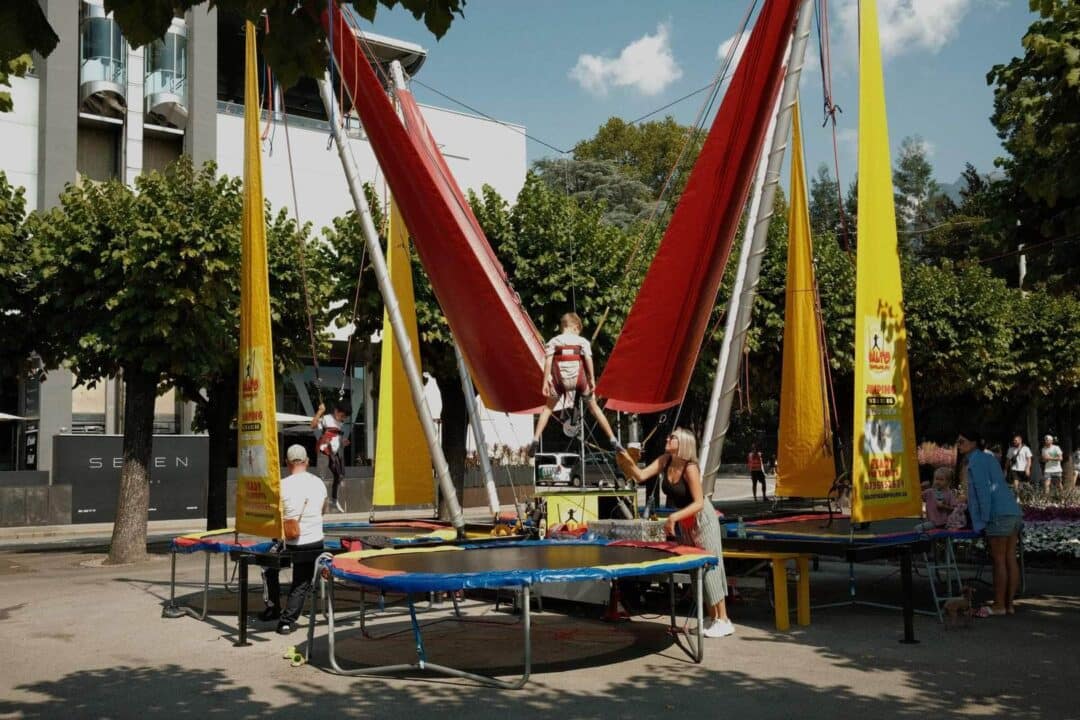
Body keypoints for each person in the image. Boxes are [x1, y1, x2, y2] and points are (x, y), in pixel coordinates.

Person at [617, 428, 734, 638]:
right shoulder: (665, 460)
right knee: (696, 569)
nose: (667, 438)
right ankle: (711, 617)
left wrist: (673, 518)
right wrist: (625, 459)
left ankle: (723, 619)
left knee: (710, 567)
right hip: (686, 521)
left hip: (702, 519)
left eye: (672, 438)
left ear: (683, 444)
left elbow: (699, 503)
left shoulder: (690, 467)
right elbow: (640, 476)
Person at [528, 313, 623, 457]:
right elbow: (588, 360)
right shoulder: (582, 342)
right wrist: (591, 379)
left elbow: (548, 362)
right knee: (595, 409)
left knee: (547, 410)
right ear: (575, 327)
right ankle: (613, 439)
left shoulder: (554, 341)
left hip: (559, 382)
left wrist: (545, 381)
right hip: (580, 381)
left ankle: (535, 439)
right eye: (579, 330)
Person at [261, 444, 328, 634]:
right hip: (315, 542)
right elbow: (323, 511)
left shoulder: (281, 485)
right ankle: (286, 621)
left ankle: (273, 607)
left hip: (291, 543)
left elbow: (275, 516)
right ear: (307, 461)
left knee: (268, 568)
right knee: (301, 582)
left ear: (287, 463)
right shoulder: (319, 483)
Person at [957, 429, 1022, 617]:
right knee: (1010, 559)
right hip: (1012, 511)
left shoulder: (975, 461)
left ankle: (999, 605)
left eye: (961, 441)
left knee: (999, 560)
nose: (958, 445)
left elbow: (983, 491)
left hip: (997, 514)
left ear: (973, 443)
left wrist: (983, 519)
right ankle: (1009, 605)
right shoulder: (989, 458)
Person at [311, 401, 350, 512]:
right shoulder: (327, 418)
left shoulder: (340, 423)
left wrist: (342, 441)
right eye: (342, 416)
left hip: (334, 452)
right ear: (336, 411)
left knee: (339, 475)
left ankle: (334, 500)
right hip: (324, 450)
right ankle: (319, 502)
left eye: (345, 417)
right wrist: (320, 412)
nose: (343, 419)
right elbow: (312, 425)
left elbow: (336, 437)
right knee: (321, 478)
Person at [916, 466, 957, 532]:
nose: (938, 481)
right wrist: (920, 486)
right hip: (931, 521)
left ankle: (924, 538)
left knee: (918, 528)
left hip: (943, 522)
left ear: (948, 482)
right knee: (922, 529)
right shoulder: (929, 492)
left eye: (941, 480)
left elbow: (955, 508)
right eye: (936, 479)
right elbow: (917, 497)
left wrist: (944, 506)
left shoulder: (949, 493)